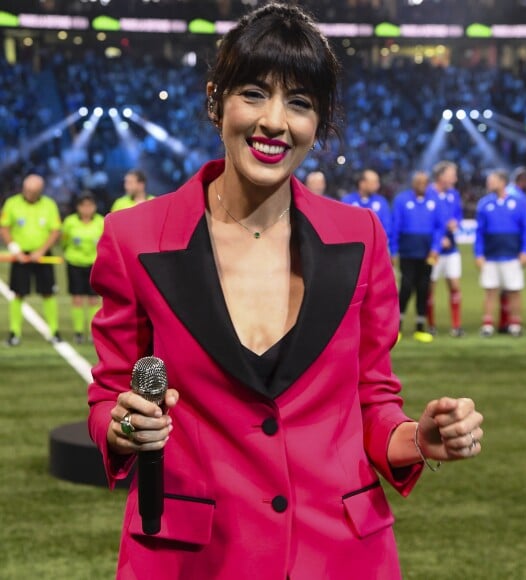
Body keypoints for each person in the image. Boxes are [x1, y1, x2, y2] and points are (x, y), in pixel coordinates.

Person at [87, 4, 484, 579]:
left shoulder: (361, 236)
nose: (274, 121)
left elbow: (372, 402)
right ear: (215, 100)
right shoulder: (134, 238)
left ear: (318, 124)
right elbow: (107, 400)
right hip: (191, 559)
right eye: (253, 93)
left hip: (342, 557)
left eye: (299, 103)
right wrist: (125, 428)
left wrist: (416, 437)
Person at [0, 174, 62, 346]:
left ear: (39, 191)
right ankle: (14, 333)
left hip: (43, 255)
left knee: (48, 292)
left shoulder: (49, 204)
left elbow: (55, 231)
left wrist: (41, 251)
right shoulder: (12, 203)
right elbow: (4, 227)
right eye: (26, 190)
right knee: (18, 293)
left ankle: (54, 332)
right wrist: (15, 249)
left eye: (33, 191)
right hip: (20, 256)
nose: (28, 193)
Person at [475, 169, 526, 337]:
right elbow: (479, 232)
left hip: (512, 254)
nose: (488, 183)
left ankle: (515, 324)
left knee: (514, 290)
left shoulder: (519, 203)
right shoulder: (484, 204)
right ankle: (487, 324)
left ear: (502, 182)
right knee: (490, 290)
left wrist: (525, 250)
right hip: (491, 255)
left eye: (491, 180)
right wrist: (479, 253)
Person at [390, 171, 443, 343]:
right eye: (418, 182)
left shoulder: (434, 201)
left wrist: (435, 248)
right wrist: (394, 250)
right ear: (413, 183)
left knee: (423, 288)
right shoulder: (402, 200)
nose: (422, 184)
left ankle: (420, 327)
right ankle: (396, 327)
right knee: (405, 288)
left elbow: (439, 228)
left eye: (424, 182)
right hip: (407, 253)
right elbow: (395, 226)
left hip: (427, 254)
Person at [426, 161, 464, 337]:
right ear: (441, 176)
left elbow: (458, 216)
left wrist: (456, 223)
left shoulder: (454, 195)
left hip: (451, 248)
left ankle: (456, 326)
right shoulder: (428, 194)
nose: (455, 178)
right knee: (430, 286)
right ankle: (431, 324)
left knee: (455, 285)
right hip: (433, 250)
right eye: (452, 174)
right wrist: (438, 239)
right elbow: (425, 221)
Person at [61, 192, 104, 344]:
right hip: (75, 264)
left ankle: (94, 332)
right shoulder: (70, 222)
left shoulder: (101, 222)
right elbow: (64, 241)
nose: (87, 209)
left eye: (90, 205)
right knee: (77, 297)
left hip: (94, 265)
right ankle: (78, 332)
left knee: (94, 299)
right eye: (83, 206)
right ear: (78, 207)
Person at [498, 166, 526, 332]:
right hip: (511, 246)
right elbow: (524, 224)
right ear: (522, 180)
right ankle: (509, 321)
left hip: (507, 245)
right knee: (511, 287)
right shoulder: (518, 197)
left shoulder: (514, 193)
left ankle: (504, 320)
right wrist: (525, 248)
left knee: (505, 287)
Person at [342, 168, 392, 243]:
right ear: (362, 183)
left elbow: (387, 227)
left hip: (376, 246)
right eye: (374, 182)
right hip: (353, 247)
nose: (378, 185)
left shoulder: (381, 201)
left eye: (378, 182)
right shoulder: (347, 201)